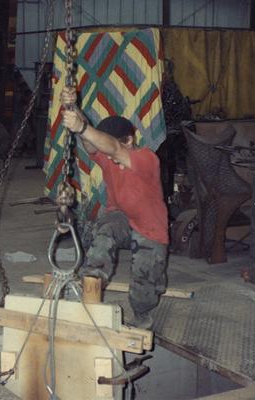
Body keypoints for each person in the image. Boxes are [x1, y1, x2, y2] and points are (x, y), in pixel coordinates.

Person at [60, 87, 169, 329]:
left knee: (145, 283)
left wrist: (82, 127)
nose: (106, 155)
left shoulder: (145, 158)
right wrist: (73, 108)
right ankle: (89, 288)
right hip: (121, 217)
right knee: (105, 232)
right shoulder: (108, 157)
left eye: (111, 146)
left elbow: (113, 148)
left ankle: (142, 315)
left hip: (151, 228)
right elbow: (91, 145)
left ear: (129, 140)